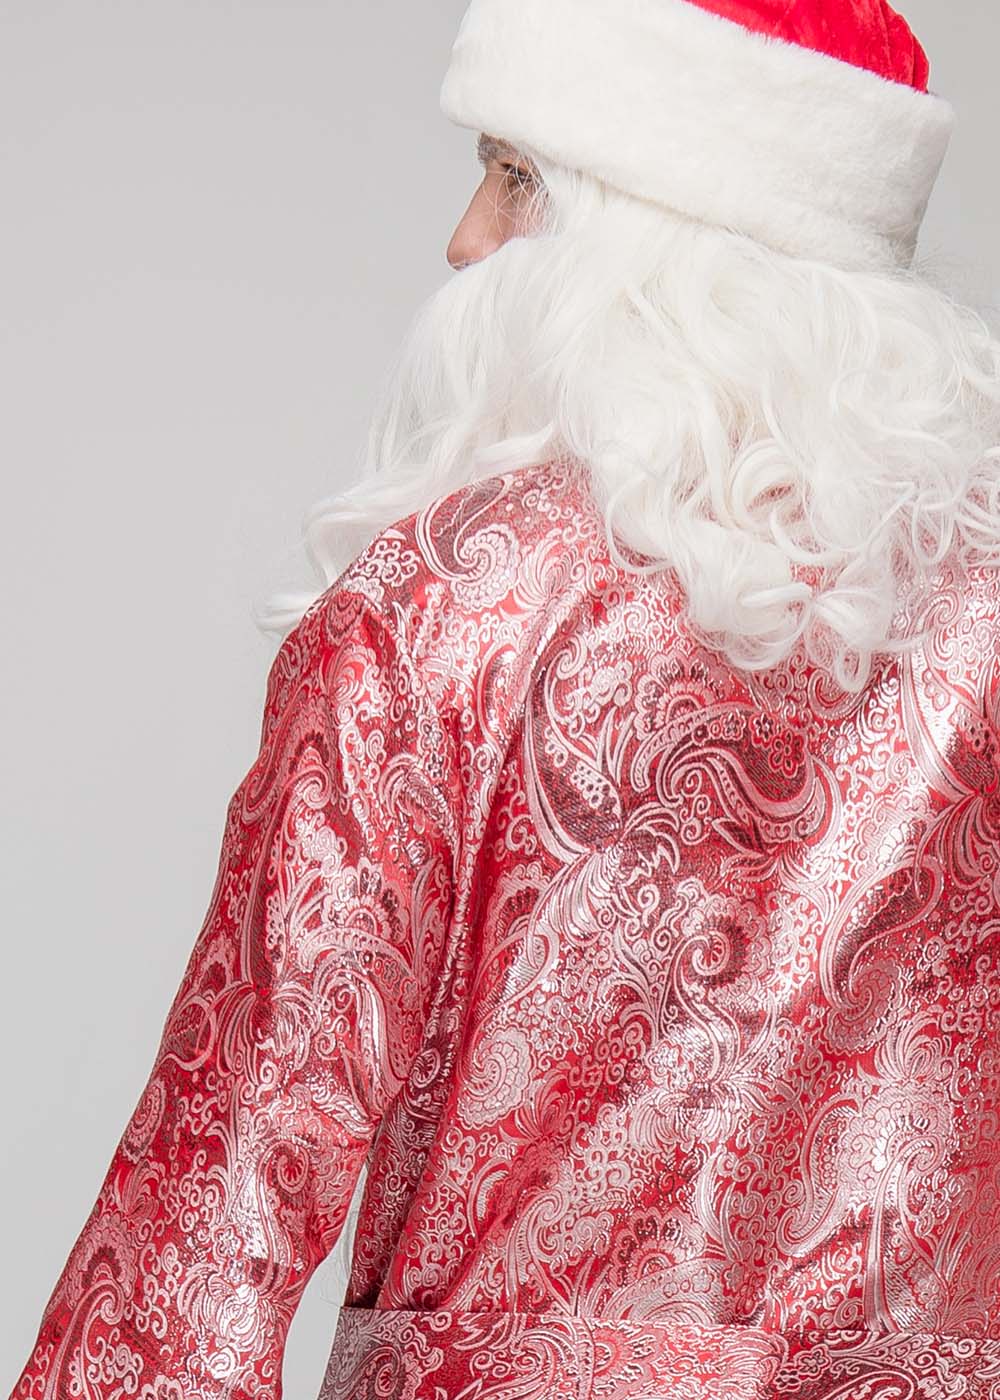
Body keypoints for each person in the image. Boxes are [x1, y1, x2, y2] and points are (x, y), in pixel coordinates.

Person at [9, 0, 1000, 1396]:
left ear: (662, 225)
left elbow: (217, 1199)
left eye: (514, 175)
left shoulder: (445, 603)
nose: (467, 240)